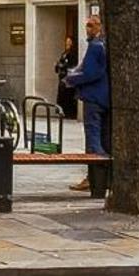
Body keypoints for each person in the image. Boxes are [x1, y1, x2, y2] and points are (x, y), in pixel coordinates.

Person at [62, 12, 110, 190]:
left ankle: (94, 177)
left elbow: (91, 73)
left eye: (92, 25)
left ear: (100, 27)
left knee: (93, 137)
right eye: (87, 25)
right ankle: (102, 176)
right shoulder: (103, 45)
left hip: (94, 97)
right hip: (103, 98)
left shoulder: (96, 46)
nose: (87, 28)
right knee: (101, 136)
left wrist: (71, 79)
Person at [54, 34, 80, 120]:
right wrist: (58, 66)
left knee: (68, 97)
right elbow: (60, 64)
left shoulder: (73, 54)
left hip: (68, 79)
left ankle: (69, 113)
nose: (67, 43)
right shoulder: (64, 53)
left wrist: (63, 66)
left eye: (69, 42)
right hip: (62, 79)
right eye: (66, 42)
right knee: (62, 97)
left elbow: (72, 66)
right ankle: (62, 112)